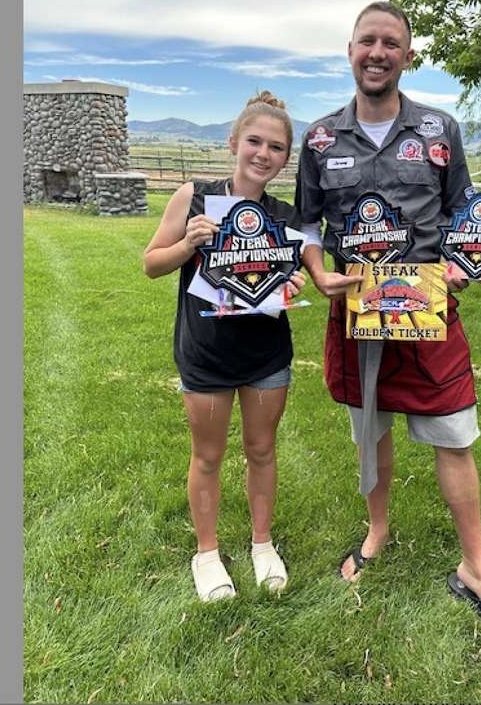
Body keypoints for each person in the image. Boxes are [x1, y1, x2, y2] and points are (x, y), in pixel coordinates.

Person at [295, 1, 481, 628]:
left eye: (391, 43)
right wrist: (316, 269)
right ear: (350, 50)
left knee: (453, 434)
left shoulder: (440, 131)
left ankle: (475, 565)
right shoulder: (318, 139)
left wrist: (461, 269)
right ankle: (377, 530)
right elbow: (307, 225)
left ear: (407, 56)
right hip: (358, 315)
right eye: (368, 41)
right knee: (371, 430)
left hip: (428, 313)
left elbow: (465, 217)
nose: (378, 52)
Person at [143, 91, 308, 602]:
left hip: (265, 354)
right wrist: (189, 243)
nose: (263, 154)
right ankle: (207, 554)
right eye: (254, 141)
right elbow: (152, 262)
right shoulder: (194, 196)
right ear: (233, 142)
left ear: (286, 157)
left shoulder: (285, 212)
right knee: (208, 456)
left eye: (276, 147)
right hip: (207, 352)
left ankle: (263, 545)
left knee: (261, 450)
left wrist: (291, 284)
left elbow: (288, 274)